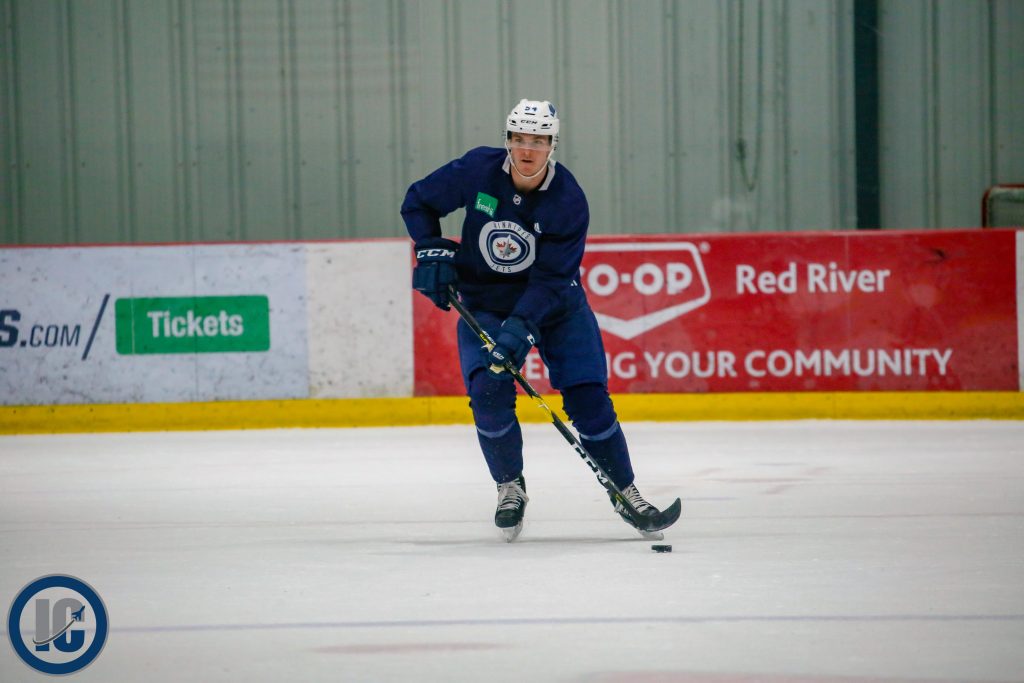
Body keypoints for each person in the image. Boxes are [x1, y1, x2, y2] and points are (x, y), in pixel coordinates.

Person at [401, 99, 665, 541]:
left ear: (552, 145)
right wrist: (430, 247)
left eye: (538, 140)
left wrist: (520, 328)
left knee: (588, 398)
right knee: (487, 389)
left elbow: (551, 279)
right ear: (507, 140)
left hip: (557, 307)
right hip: (484, 302)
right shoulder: (477, 171)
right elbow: (418, 201)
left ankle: (626, 490)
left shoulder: (567, 200)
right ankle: (510, 487)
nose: (528, 149)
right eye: (520, 139)